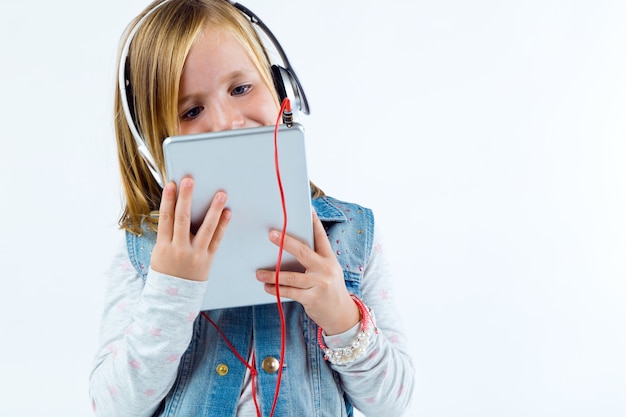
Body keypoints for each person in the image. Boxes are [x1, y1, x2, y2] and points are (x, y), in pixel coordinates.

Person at [89, 0, 415, 416]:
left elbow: (393, 403)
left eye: (241, 88)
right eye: (191, 110)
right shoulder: (145, 250)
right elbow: (112, 407)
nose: (227, 121)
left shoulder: (351, 233)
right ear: (156, 139)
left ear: (282, 91)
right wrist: (171, 293)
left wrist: (341, 317)